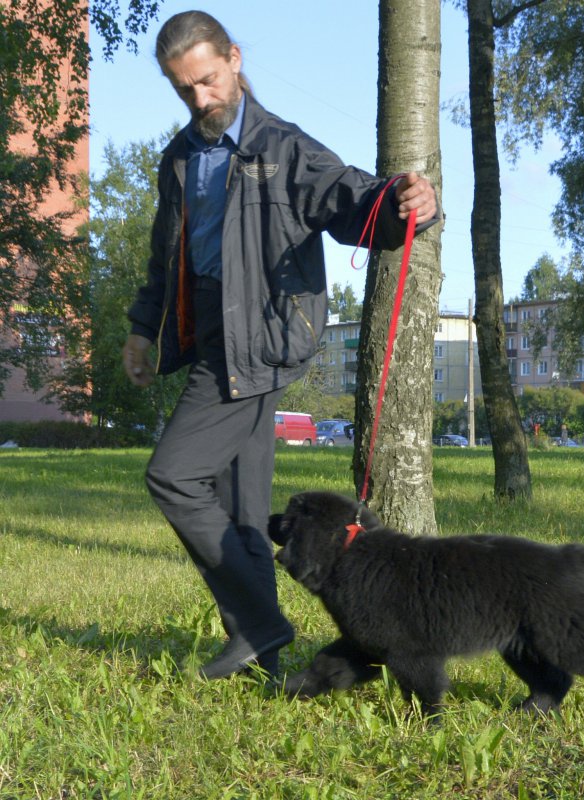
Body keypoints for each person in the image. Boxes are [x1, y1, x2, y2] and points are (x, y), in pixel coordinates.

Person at [122, 11, 439, 681]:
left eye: (208, 81)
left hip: (258, 339)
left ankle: (263, 623)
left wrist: (406, 200)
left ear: (234, 59)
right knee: (240, 506)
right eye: (185, 90)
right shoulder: (179, 158)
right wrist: (142, 329)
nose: (201, 100)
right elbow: (164, 257)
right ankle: (264, 655)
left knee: (172, 476)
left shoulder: (283, 148)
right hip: (205, 331)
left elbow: (352, 199)